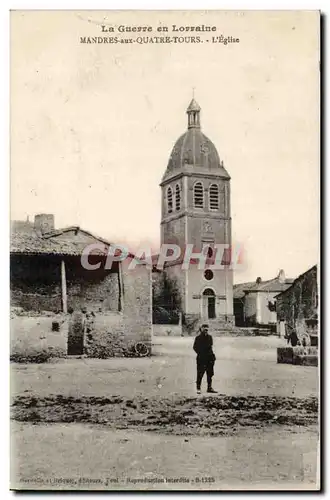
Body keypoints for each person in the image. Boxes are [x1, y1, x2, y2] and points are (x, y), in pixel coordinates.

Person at [193, 323, 217, 394]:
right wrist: (200, 353)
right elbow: (195, 347)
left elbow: (210, 347)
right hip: (201, 358)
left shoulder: (210, 337)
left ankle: (209, 388)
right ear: (201, 329)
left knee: (210, 374)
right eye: (204, 328)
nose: (206, 329)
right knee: (200, 373)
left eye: (207, 328)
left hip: (209, 358)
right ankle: (198, 388)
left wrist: (212, 357)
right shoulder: (198, 338)